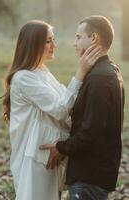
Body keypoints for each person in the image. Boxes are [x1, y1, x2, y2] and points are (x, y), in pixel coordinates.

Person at [3, 20, 102, 200]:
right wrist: (81, 72)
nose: (54, 46)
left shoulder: (42, 71)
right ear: (33, 44)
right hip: (34, 159)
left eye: (53, 40)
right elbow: (61, 109)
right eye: (48, 41)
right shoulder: (24, 78)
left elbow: (67, 100)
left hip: (49, 156)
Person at [40, 16, 125, 200]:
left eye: (79, 37)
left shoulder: (100, 78)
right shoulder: (109, 70)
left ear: (94, 38)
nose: (74, 43)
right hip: (95, 174)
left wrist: (61, 147)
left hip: (90, 177)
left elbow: (90, 134)